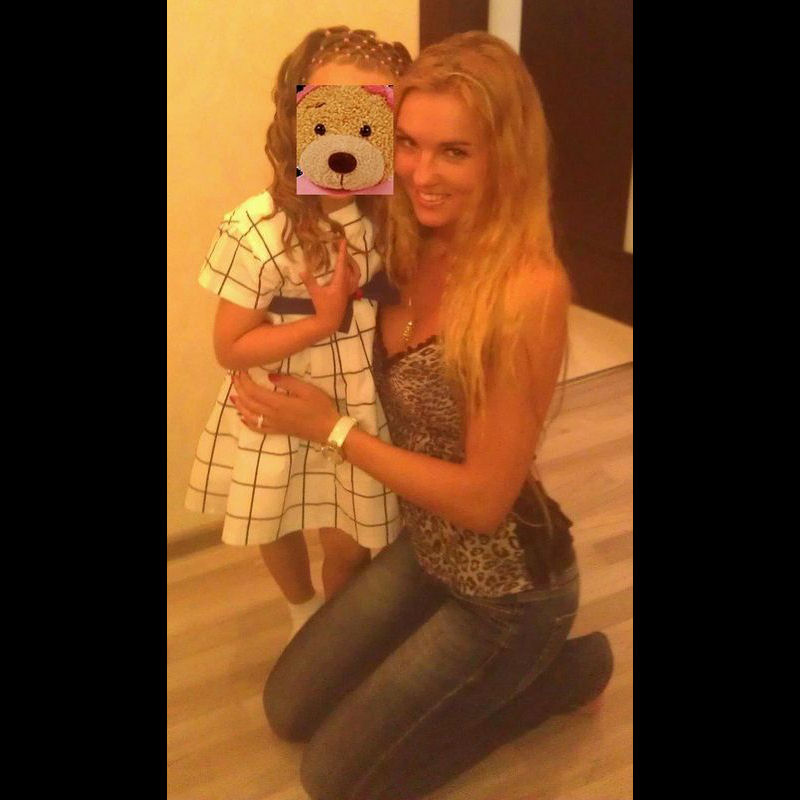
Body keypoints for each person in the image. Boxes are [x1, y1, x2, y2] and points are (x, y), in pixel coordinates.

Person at [231, 30, 614, 800]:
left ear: (504, 158)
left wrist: (330, 430)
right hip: (426, 550)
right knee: (286, 708)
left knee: (333, 779)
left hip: (507, 591)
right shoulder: (401, 235)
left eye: (455, 152)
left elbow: (482, 501)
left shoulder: (527, 290)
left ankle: (563, 675)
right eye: (406, 142)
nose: (420, 173)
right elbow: (308, 177)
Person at [185, 26, 413, 639]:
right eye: (326, 119)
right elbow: (230, 346)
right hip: (277, 402)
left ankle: (335, 633)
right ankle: (301, 611)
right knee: (276, 516)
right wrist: (320, 321)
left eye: (366, 125)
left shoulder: (386, 217)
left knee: (350, 534)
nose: (343, 148)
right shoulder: (256, 229)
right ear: (294, 117)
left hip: (355, 404)